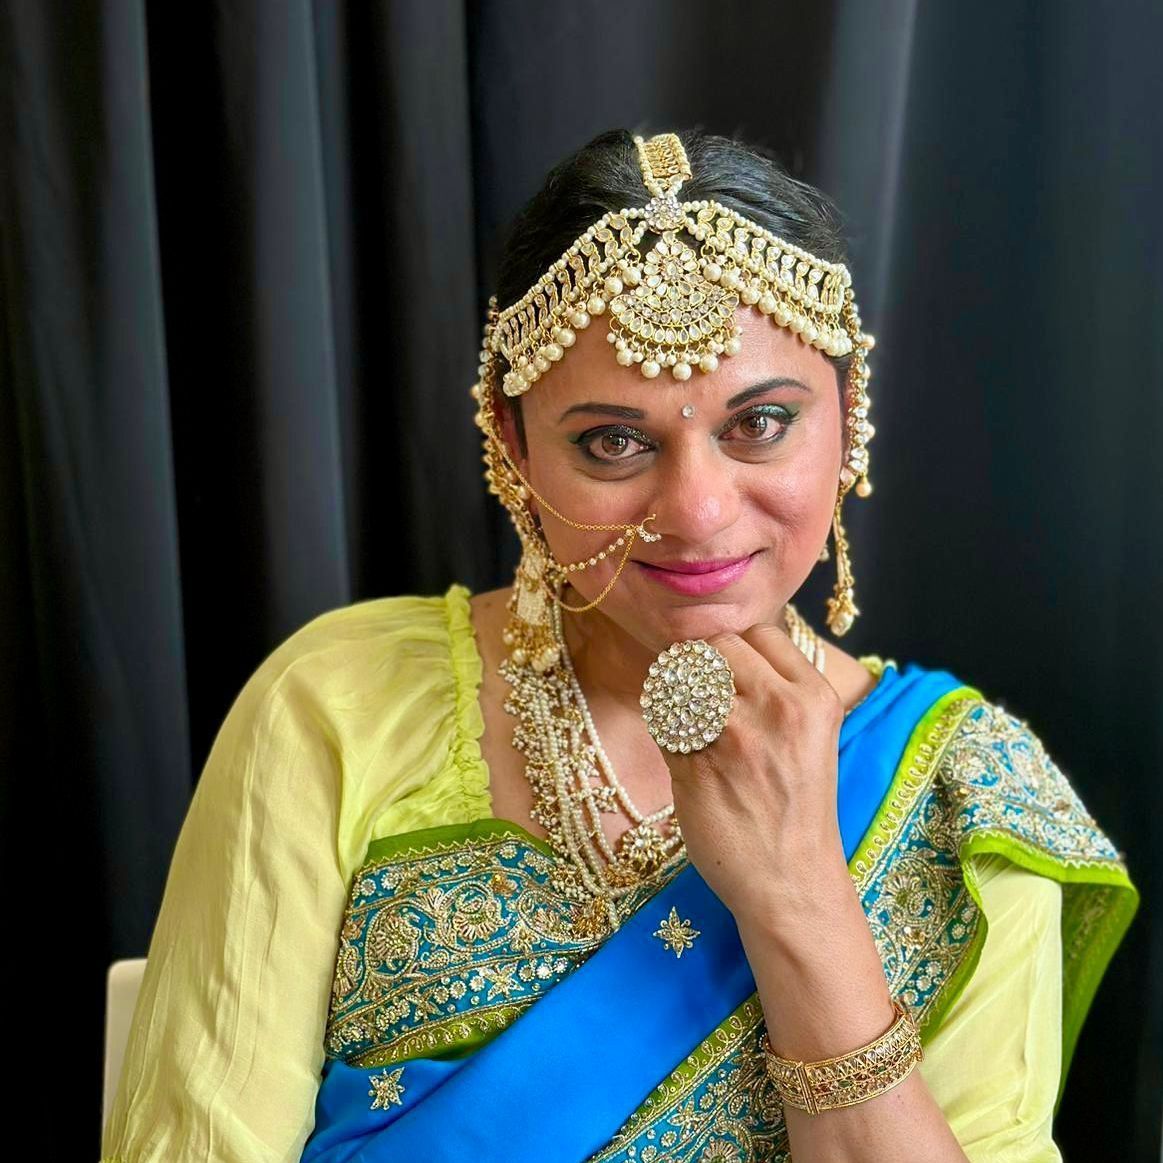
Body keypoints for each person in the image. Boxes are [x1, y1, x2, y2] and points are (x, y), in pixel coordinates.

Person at [101, 129, 1139, 1163]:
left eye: (760, 422)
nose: (693, 509)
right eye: (613, 441)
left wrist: (799, 896)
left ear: (847, 412)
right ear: (512, 450)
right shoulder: (336, 706)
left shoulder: (963, 798)